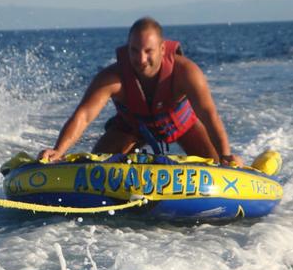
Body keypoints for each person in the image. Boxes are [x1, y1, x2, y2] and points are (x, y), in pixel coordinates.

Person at [38, 17, 243, 166]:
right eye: (134, 51)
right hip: (132, 128)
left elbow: (208, 114)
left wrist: (226, 155)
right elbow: (83, 116)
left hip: (182, 126)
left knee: (216, 165)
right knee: (96, 168)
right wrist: (58, 151)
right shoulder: (112, 78)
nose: (141, 59)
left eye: (148, 51)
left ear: (162, 49)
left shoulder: (186, 73)